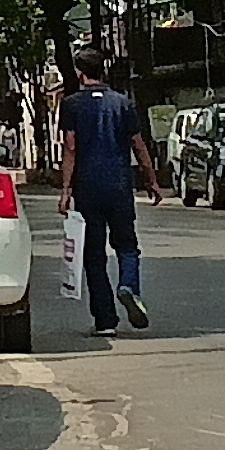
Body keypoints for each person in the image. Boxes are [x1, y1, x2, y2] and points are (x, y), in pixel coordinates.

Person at [63, 54, 161, 334]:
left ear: (80, 73)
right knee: (127, 245)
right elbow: (138, 144)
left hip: (87, 189)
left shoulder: (71, 105)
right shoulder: (122, 102)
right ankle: (129, 285)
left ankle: (105, 320)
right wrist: (151, 180)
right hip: (119, 186)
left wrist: (65, 190)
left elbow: (71, 148)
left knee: (94, 254)